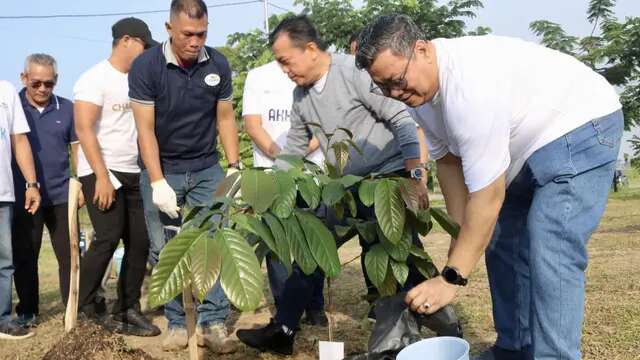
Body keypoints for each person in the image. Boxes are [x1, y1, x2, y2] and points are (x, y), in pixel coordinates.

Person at [355, 14, 624, 360]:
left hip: (581, 125)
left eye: (397, 80)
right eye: (384, 87)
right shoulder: (419, 98)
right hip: (523, 148)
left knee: (551, 245)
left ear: (421, 50)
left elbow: (487, 197)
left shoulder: (468, 88)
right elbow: (451, 167)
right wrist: (456, 250)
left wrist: (452, 278)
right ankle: (514, 349)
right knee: (499, 241)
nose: (395, 93)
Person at [236, 15, 430, 356]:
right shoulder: (301, 95)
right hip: (345, 186)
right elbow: (293, 150)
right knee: (311, 249)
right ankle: (283, 329)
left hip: (386, 180)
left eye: (285, 60)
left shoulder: (352, 72)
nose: (283, 69)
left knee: (396, 263)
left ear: (310, 49)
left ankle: (412, 341)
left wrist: (415, 177)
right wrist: (263, 191)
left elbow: (402, 120)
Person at [129, 0, 240, 353]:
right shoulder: (146, 66)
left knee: (215, 245)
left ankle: (212, 322)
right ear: (169, 29)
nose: (195, 42)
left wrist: (234, 167)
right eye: (187, 34)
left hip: (208, 168)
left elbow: (224, 119)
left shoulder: (218, 63)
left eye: (202, 33)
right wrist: (158, 181)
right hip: (163, 169)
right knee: (166, 249)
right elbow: (145, 130)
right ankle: (177, 323)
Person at [74, 17, 160, 337]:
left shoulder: (138, 79)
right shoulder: (94, 78)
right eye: (143, 44)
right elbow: (83, 128)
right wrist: (102, 176)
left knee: (139, 241)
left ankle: (127, 309)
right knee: (108, 236)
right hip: (102, 171)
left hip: (135, 169)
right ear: (126, 41)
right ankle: (85, 307)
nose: (146, 51)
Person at [243, 60, 327, 326]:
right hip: (270, 175)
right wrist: (281, 157)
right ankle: (284, 308)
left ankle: (315, 305)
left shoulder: (316, 73)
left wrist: (298, 154)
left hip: (310, 173)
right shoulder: (258, 76)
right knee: (276, 243)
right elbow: (253, 125)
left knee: (314, 240)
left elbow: (324, 125)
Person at [11, 54, 79, 329]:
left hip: (61, 194)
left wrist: (82, 185)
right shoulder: (11, 108)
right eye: (36, 83)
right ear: (24, 78)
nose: (42, 89)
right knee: (26, 255)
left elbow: (77, 148)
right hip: (24, 196)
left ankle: (73, 308)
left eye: (48, 84)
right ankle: (27, 311)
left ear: (56, 82)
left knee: (69, 255)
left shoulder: (67, 109)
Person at [0, 80, 40, 339]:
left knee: (4, 262)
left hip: (2, 193)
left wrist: (31, 184)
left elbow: (19, 140)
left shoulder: (5, 91)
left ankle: (2, 319)